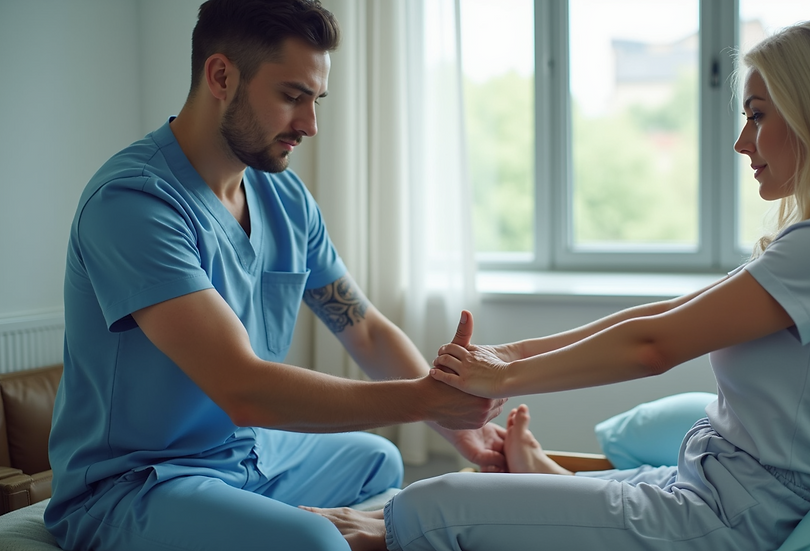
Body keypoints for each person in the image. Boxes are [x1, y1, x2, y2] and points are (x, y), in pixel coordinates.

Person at [304, 19, 810, 551]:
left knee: (429, 506)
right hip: (709, 489)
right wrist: (510, 355)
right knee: (411, 506)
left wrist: (501, 380)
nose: (740, 141)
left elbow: (652, 346)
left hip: (723, 516)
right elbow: (670, 313)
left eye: (757, 115)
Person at [44, 1, 507, 550]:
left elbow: (364, 329)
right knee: (315, 541)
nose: (310, 125)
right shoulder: (133, 203)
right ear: (221, 76)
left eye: (316, 100)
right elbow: (242, 388)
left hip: (247, 454)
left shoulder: (284, 196)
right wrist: (423, 399)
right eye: (292, 96)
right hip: (136, 482)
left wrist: (460, 428)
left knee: (377, 461)